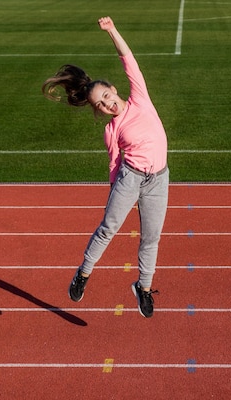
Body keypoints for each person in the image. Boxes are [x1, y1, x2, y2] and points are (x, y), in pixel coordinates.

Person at [42, 17, 169, 318]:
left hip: (159, 179)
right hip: (130, 178)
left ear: (114, 89)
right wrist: (117, 191)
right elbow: (115, 163)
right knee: (109, 227)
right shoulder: (111, 131)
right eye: (100, 103)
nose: (108, 103)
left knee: (151, 237)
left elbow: (129, 59)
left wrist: (112, 30)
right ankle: (83, 274)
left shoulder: (140, 98)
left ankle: (144, 288)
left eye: (107, 96)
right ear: (97, 110)